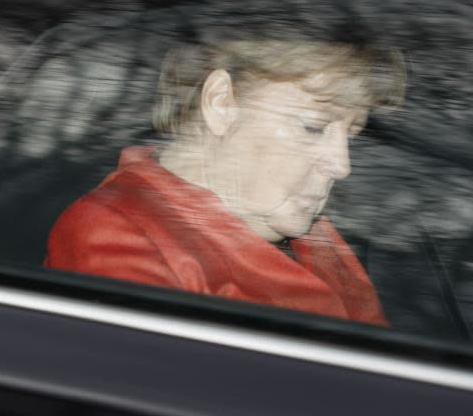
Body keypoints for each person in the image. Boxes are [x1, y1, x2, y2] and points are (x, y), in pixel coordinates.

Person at [46, 31, 405, 325]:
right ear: (220, 104)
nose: (342, 166)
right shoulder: (118, 233)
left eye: (352, 135)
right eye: (314, 126)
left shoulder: (318, 238)